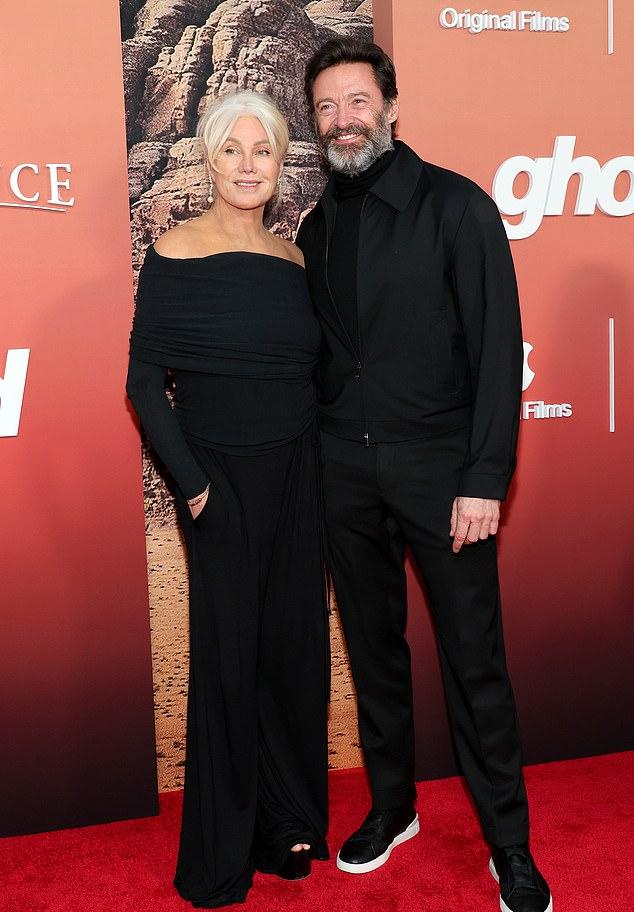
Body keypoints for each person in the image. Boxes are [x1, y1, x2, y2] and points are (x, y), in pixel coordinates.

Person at [296, 38, 552, 912]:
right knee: (374, 655)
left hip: (444, 476)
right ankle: (394, 807)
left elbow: (496, 353)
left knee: (475, 662)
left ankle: (510, 845)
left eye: (357, 101)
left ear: (391, 107)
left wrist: (485, 478)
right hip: (344, 473)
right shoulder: (315, 227)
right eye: (327, 107)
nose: (343, 120)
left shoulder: (458, 207)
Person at [126, 90, 329, 909]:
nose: (248, 165)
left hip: (297, 477)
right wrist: (198, 489)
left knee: (292, 651)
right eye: (233, 150)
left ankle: (286, 821)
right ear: (209, 160)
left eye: (264, 150)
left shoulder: (294, 261)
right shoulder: (174, 253)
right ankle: (220, 850)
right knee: (229, 659)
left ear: (280, 164)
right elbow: (145, 385)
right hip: (221, 483)